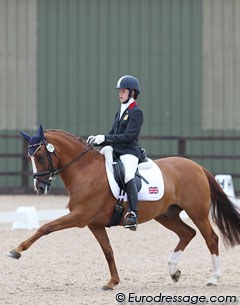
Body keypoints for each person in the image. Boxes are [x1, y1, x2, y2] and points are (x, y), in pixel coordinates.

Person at [87, 75, 144, 230]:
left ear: (132, 93)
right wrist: (99, 140)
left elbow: (129, 136)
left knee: (127, 175)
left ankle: (133, 214)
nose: (120, 94)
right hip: (117, 149)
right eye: (119, 91)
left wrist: (105, 137)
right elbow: (113, 132)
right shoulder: (120, 111)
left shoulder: (136, 112)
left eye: (123, 91)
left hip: (129, 151)